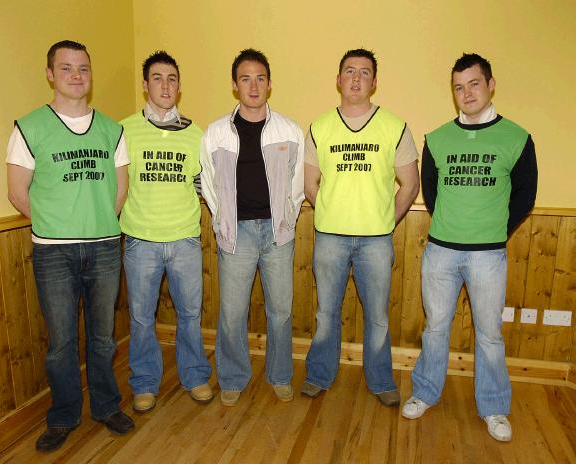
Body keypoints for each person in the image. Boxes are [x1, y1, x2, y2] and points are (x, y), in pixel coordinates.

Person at [401, 53, 538, 443]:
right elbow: (431, 192)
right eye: (459, 87)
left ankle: (494, 407)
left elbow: (525, 196)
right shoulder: (438, 139)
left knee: (490, 333)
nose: (467, 93)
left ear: (491, 85)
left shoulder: (517, 137)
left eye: (474, 84)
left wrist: (494, 230)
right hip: (441, 252)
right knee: (435, 328)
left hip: (488, 255)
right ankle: (425, 393)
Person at [6, 40, 134, 452]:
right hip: (53, 252)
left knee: (102, 338)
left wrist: (96, 225)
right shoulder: (28, 128)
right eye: (66, 68)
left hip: (103, 249)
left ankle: (106, 406)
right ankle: (63, 416)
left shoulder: (113, 130)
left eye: (83, 68)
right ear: (50, 75)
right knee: (61, 341)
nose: (76, 76)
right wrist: (56, 226)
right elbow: (17, 193)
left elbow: (119, 192)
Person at [302, 48, 419, 405]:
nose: (356, 78)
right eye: (349, 72)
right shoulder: (319, 127)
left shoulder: (395, 127)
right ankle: (319, 375)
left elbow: (410, 185)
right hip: (330, 238)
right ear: (338, 80)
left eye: (364, 72)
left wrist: (386, 220)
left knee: (378, 316)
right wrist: (331, 214)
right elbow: (310, 185)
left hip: (376, 241)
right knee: (326, 312)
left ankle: (381, 380)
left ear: (374, 82)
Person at [200, 48, 304, 406]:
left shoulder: (289, 131)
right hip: (236, 234)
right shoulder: (215, 133)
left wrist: (286, 217)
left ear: (270, 84)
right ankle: (232, 377)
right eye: (245, 78)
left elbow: (297, 181)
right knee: (231, 312)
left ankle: (280, 375)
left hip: (277, 234)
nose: (253, 85)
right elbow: (210, 186)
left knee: (281, 310)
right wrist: (223, 221)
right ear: (235, 85)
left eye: (260, 78)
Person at [119, 51, 212, 413]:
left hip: (185, 239)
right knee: (142, 318)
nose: (165, 85)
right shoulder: (124, 130)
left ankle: (195, 375)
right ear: (145, 85)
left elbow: (204, 185)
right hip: (140, 241)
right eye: (157, 78)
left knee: (190, 314)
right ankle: (144, 383)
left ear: (179, 87)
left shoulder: (195, 134)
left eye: (172, 78)